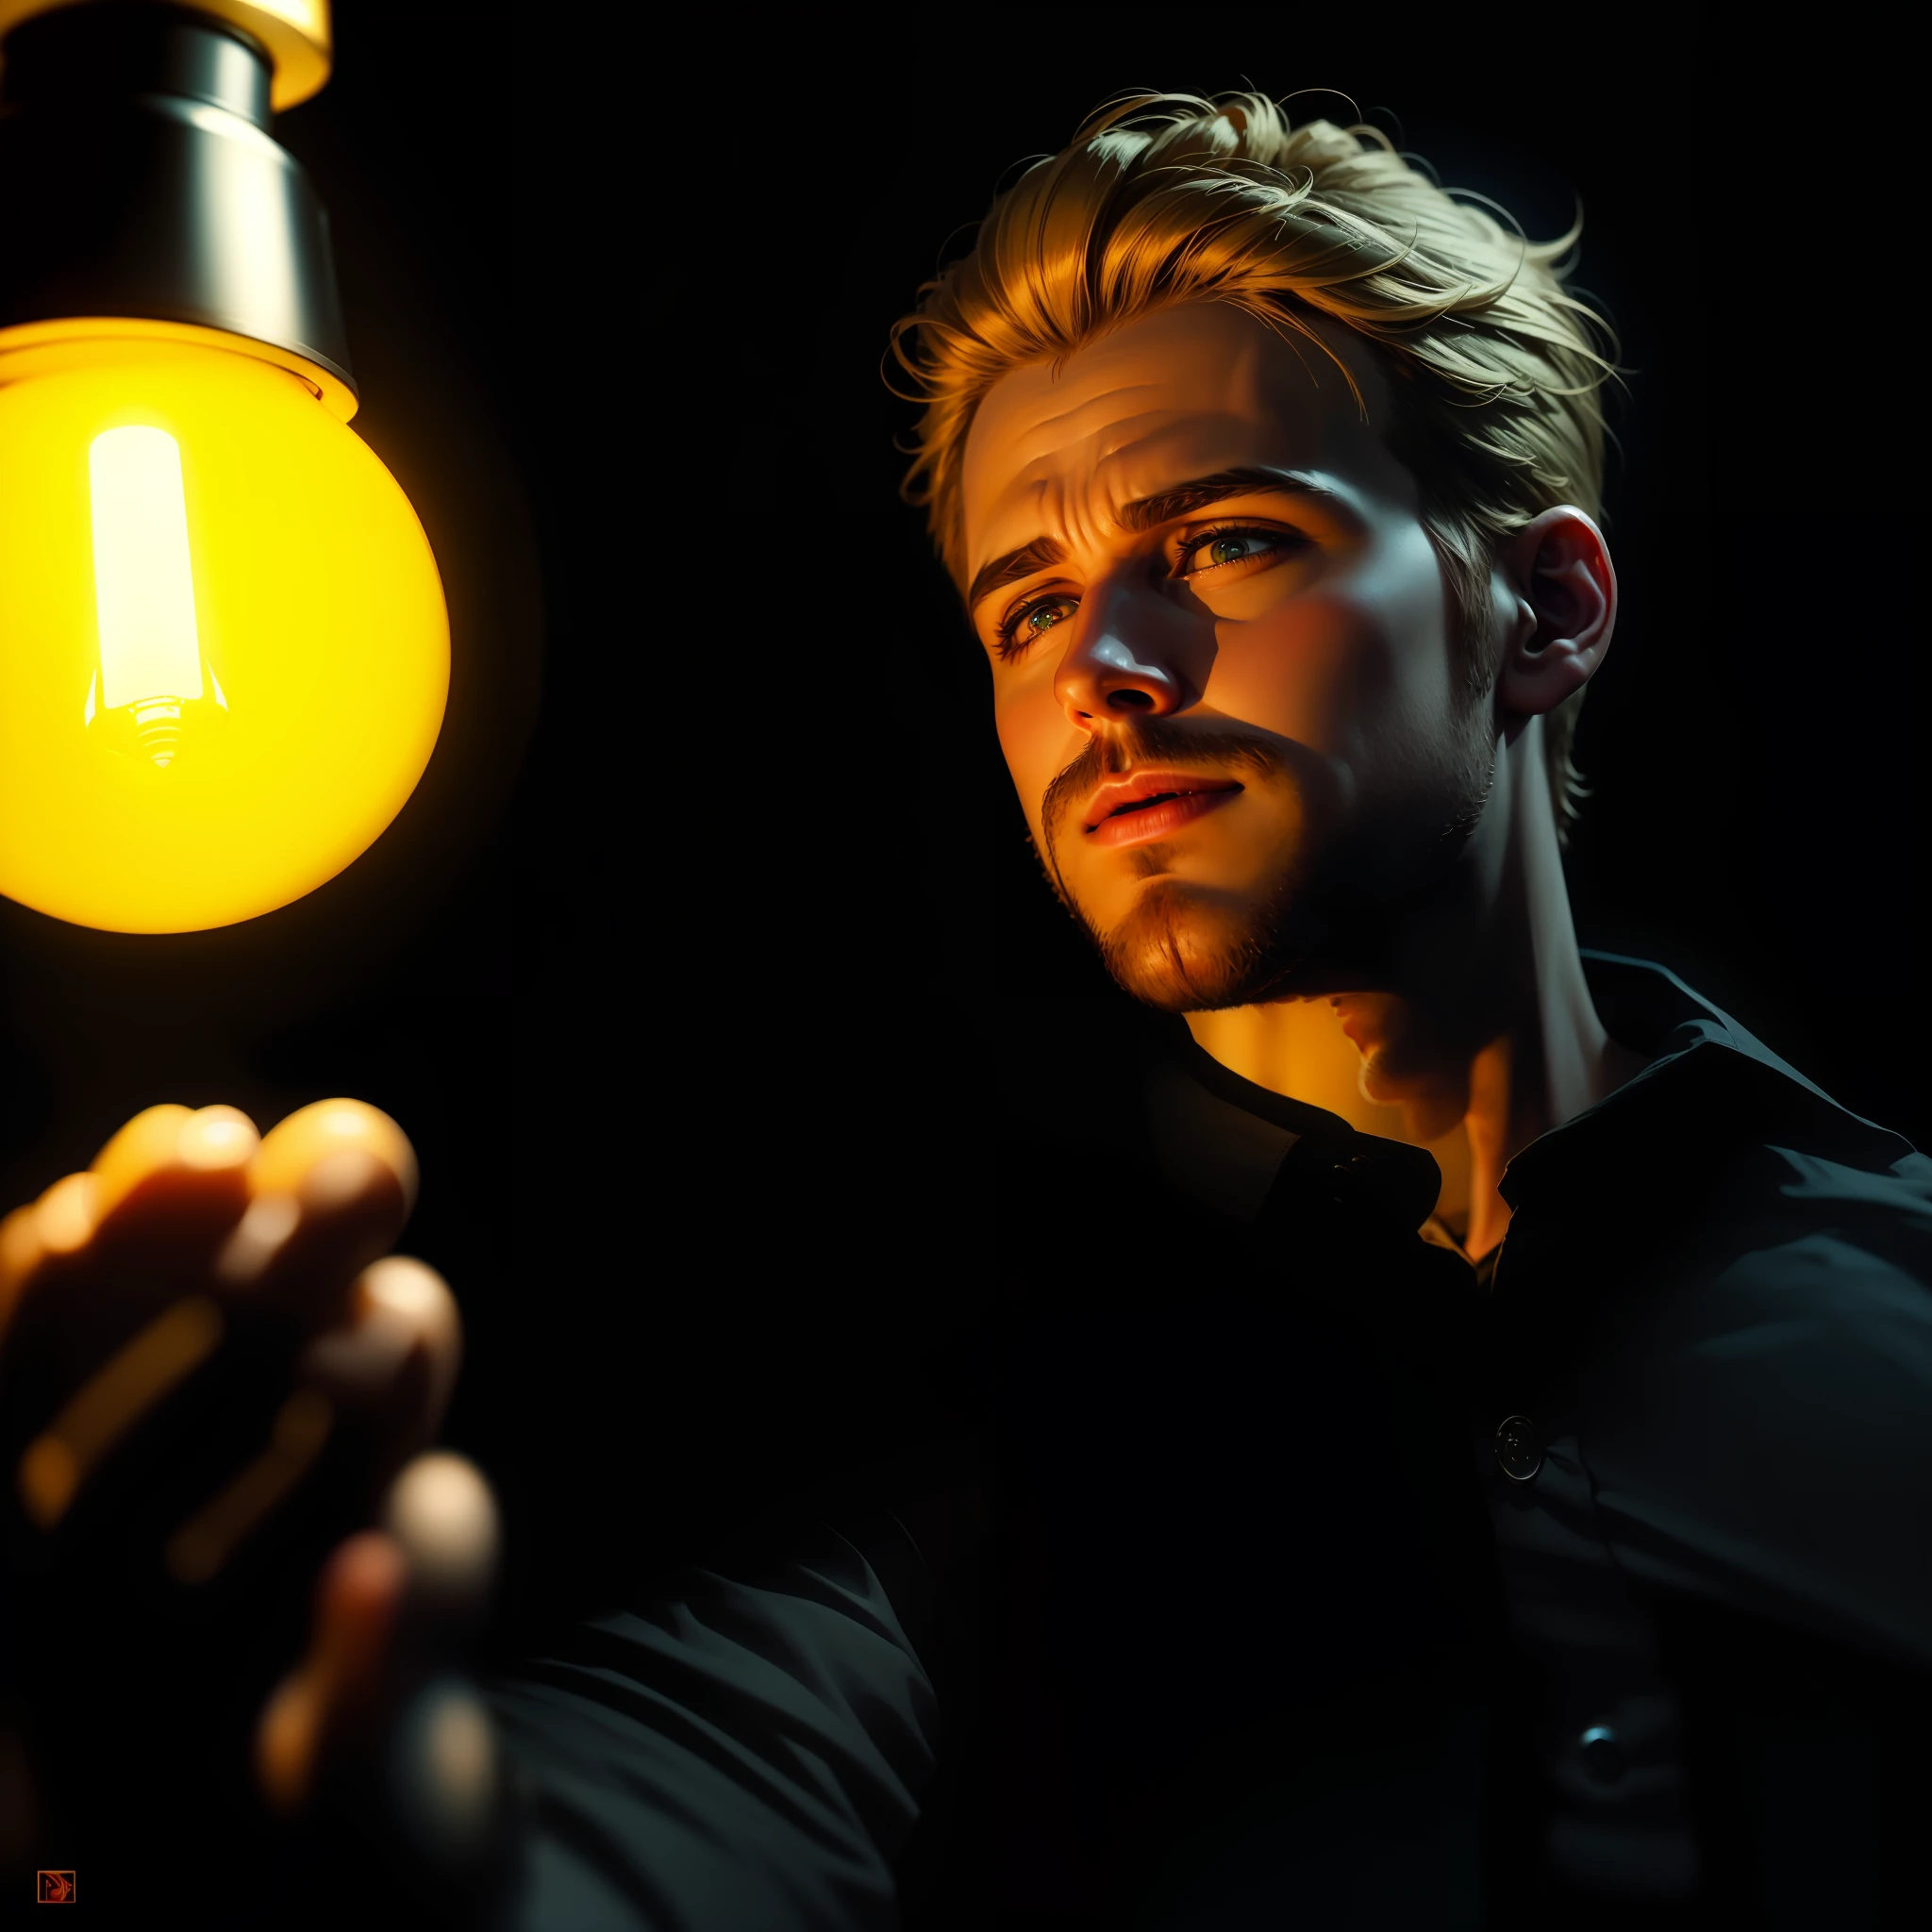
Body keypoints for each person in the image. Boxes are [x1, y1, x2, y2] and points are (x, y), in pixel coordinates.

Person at [6, 87, 1929, 1930]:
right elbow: (636, 1806)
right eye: (1025, 603)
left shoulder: (1897, 1288)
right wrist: (345, 1820)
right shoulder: (965, 1413)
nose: (1104, 662)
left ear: (1547, 607)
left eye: (1227, 541)